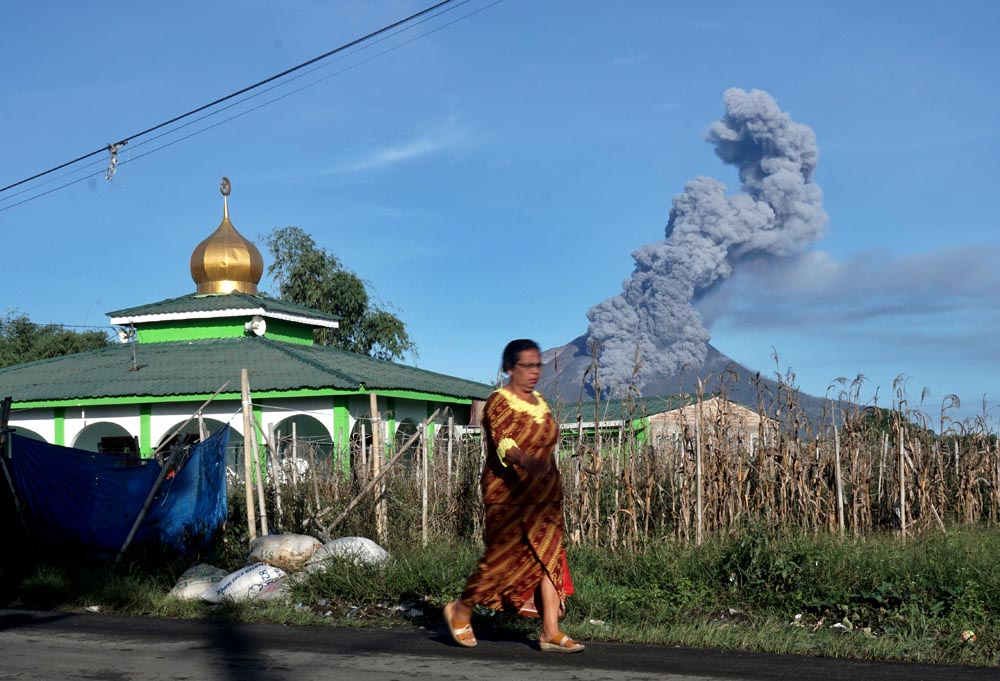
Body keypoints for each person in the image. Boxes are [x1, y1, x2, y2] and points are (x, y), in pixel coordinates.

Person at [443, 339, 584, 653]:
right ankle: (460, 610)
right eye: (527, 365)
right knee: (501, 561)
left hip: (543, 497)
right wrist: (527, 461)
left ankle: (550, 631)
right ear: (510, 368)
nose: (534, 371)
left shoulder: (540, 402)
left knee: (549, 559)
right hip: (508, 495)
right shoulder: (499, 401)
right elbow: (504, 441)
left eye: (538, 365)